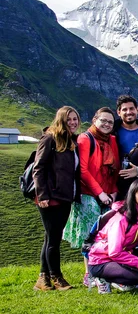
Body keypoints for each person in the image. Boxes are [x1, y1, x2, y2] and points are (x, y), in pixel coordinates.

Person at [63, 107, 120, 287]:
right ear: (95, 120)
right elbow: (83, 170)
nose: (106, 124)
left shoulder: (112, 140)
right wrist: (100, 193)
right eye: (103, 120)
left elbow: (116, 169)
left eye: (110, 122)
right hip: (88, 193)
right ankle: (89, 273)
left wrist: (113, 191)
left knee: (106, 234)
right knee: (90, 234)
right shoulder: (85, 139)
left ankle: (103, 271)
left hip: (107, 194)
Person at [32, 106, 82, 291]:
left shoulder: (72, 141)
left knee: (51, 237)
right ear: (61, 120)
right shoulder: (49, 138)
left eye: (75, 119)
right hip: (50, 196)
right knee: (54, 239)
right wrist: (42, 194)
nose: (73, 123)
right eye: (69, 119)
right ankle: (57, 277)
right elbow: (39, 168)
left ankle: (42, 279)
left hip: (64, 196)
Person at [87, 179, 138, 294]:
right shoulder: (121, 218)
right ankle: (102, 278)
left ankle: (123, 278)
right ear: (133, 195)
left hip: (122, 255)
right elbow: (114, 252)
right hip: (102, 260)